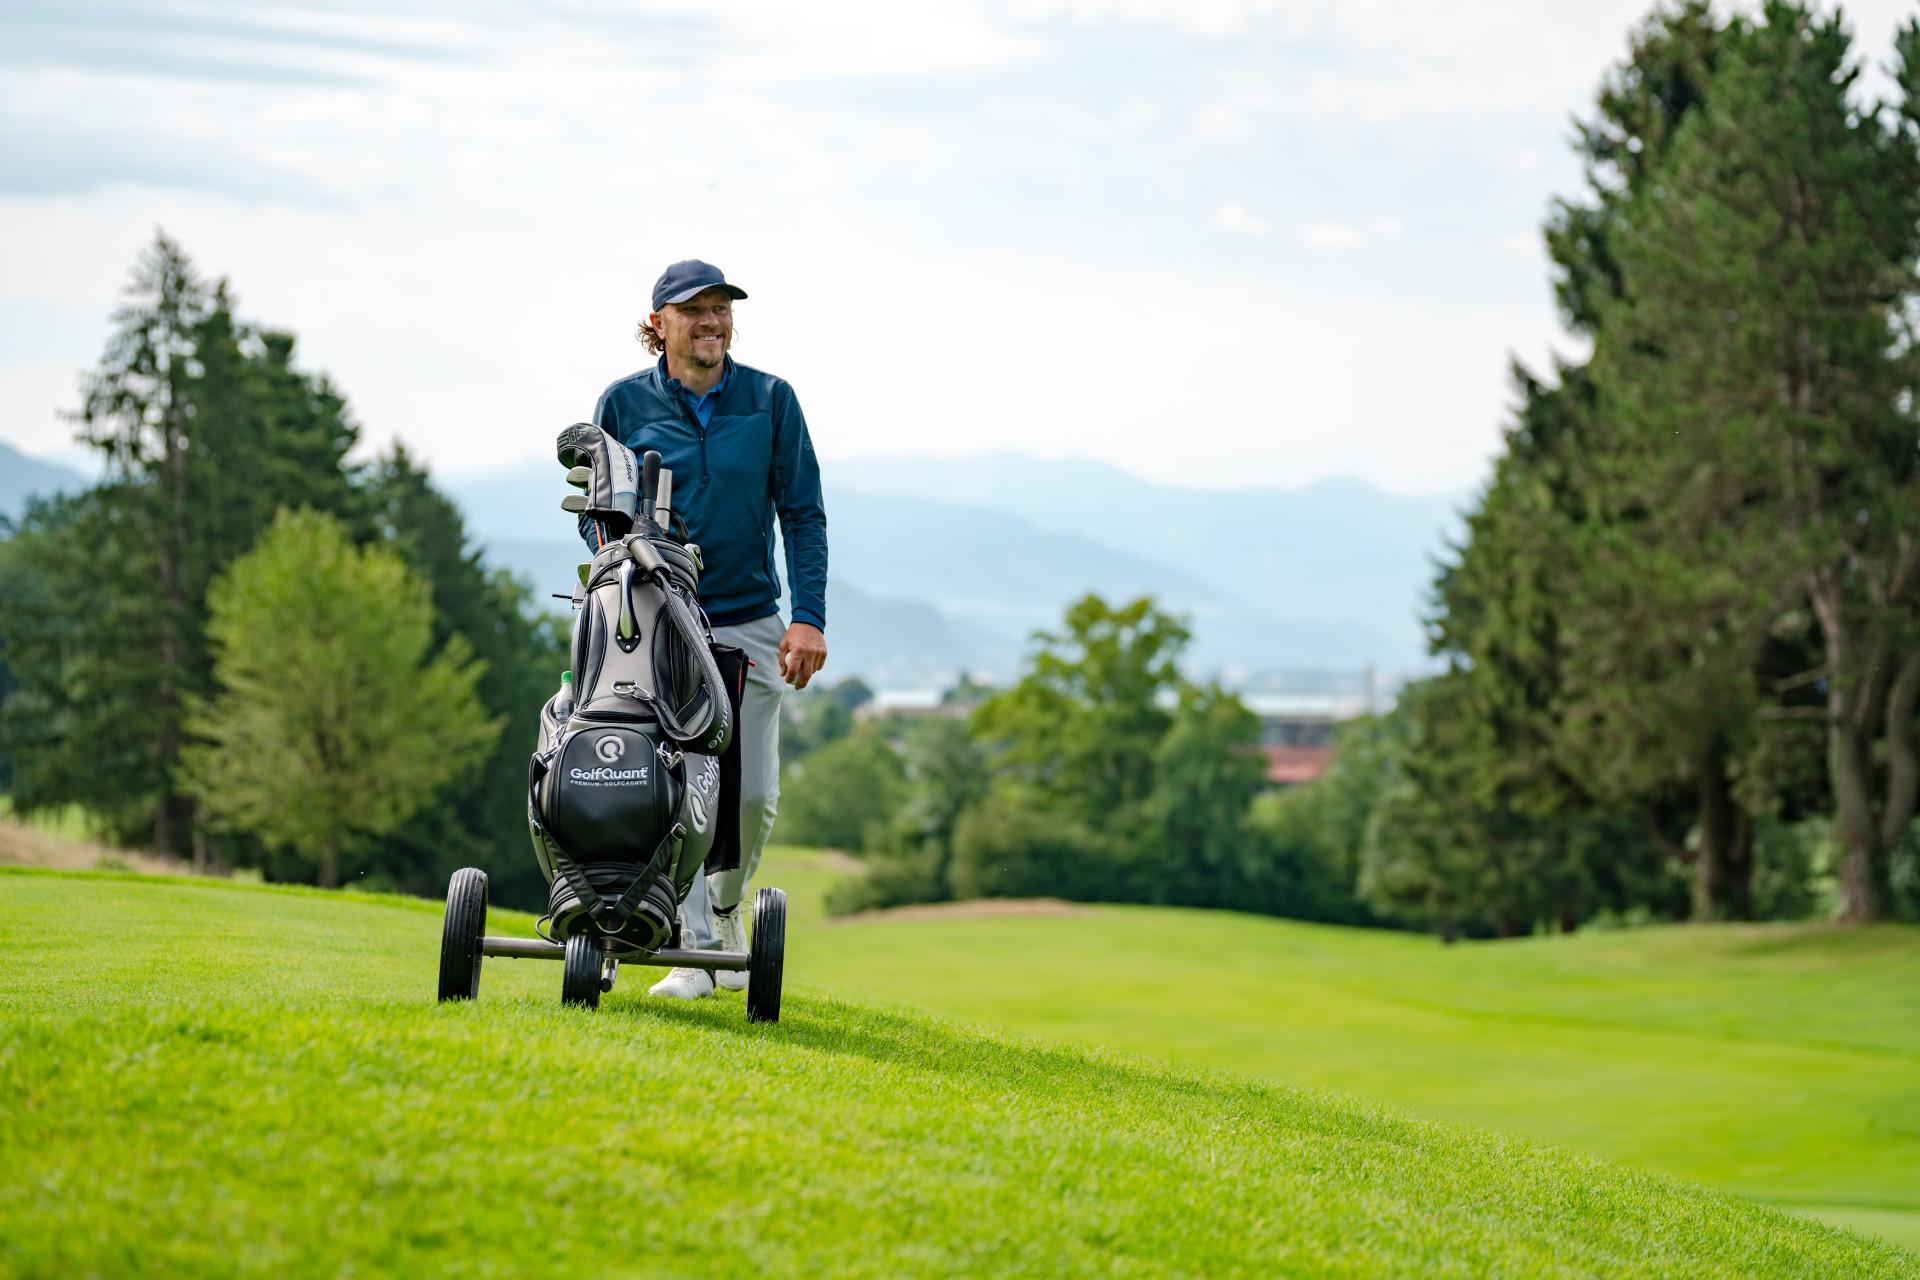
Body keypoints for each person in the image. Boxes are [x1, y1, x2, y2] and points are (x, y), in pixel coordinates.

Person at [580, 258, 828, 999]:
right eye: (694, 311)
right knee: (678, 780)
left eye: (721, 309)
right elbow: (598, 511)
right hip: (660, 618)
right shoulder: (623, 402)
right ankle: (693, 953)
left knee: (752, 798)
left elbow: (803, 514)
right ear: (659, 324)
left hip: (751, 619)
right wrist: (623, 561)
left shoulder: (771, 399)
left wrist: (808, 617)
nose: (712, 322)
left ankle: (724, 912)